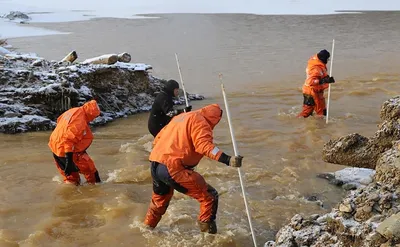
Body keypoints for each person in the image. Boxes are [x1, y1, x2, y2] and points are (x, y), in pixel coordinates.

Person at [143, 104, 243, 234]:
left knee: (159, 201)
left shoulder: (181, 117)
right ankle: (209, 238)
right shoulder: (202, 122)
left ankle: (147, 229)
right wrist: (227, 159)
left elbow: (157, 139)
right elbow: (204, 146)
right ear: (215, 118)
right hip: (173, 168)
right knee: (210, 197)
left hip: (156, 163)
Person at [48, 99, 102, 185]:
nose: (93, 120)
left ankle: (71, 195)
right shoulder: (79, 122)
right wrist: (69, 161)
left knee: (71, 180)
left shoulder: (74, 110)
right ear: (91, 114)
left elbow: (59, 121)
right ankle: (95, 191)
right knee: (92, 174)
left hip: (55, 147)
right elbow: (68, 140)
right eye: (95, 117)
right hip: (69, 151)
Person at [297, 49, 335, 118]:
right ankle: (319, 127)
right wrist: (323, 81)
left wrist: (327, 78)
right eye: (327, 59)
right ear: (323, 59)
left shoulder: (317, 62)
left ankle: (317, 124)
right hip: (312, 92)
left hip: (315, 91)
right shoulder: (315, 68)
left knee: (318, 111)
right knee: (310, 113)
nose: (327, 61)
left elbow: (321, 74)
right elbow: (311, 81)